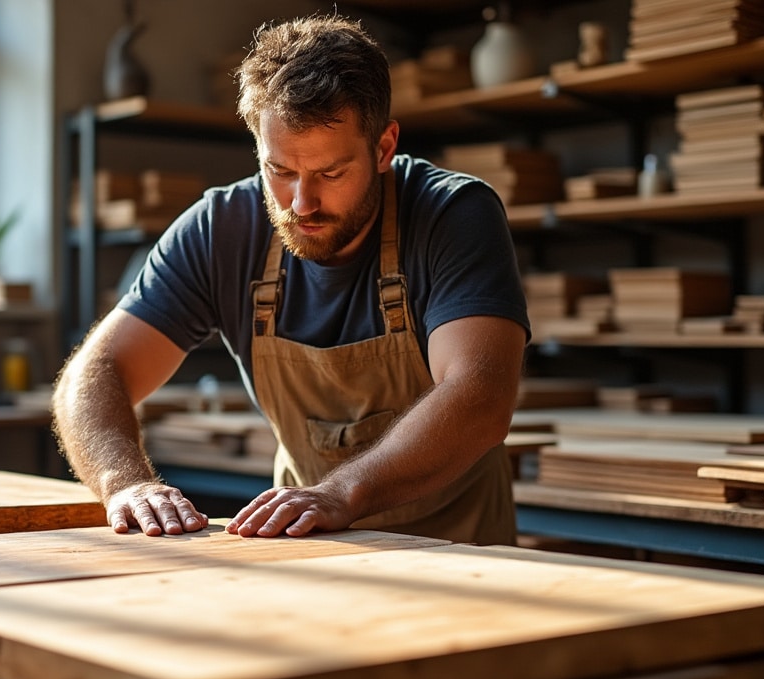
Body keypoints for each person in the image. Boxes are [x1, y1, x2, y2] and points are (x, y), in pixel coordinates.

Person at [52, 14, 530, 543]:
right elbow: (95, 372)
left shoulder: (453, 213)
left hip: (462, 554)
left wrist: (341, 493)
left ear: (383, 147)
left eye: (330, 174)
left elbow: (480, 395)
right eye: (279, 171)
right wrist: (124, 483)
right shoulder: (222, 230)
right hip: (306, 546)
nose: (301, 203)